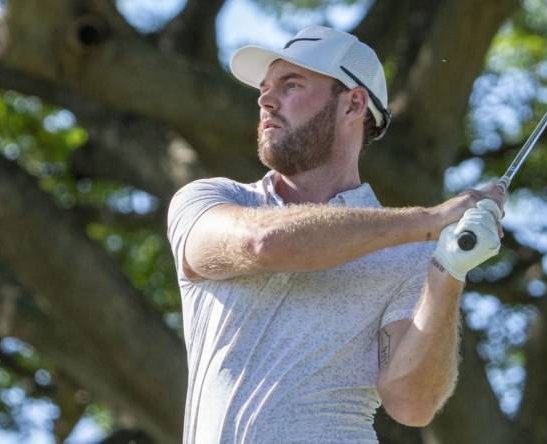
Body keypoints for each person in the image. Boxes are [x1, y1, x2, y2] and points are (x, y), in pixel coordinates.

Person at [167, 25, 505, 444]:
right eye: (265, 88)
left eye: (291, 85)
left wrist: (448, 271)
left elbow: (411, 405)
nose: (266, 100)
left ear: (353, 103)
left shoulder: (411, 253)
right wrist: (429, 220)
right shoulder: (210, 200)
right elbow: (264, 244)